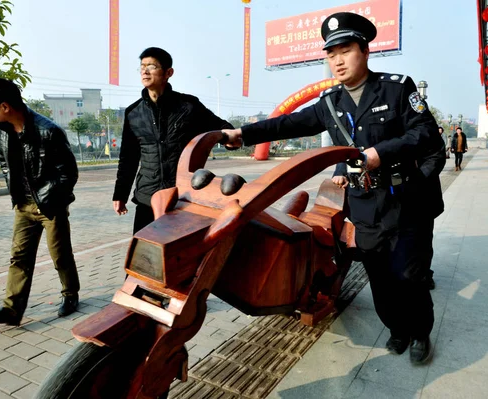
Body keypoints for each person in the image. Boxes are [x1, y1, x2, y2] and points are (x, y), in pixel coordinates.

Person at [223, 12, 444, 364]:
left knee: (408, 274)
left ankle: (419, 332)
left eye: (345, 50)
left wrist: (379, 153)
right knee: (380, 277)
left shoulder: (397, 87)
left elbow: (425, 133)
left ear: (365, 51)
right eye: (331, 54)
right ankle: (397, 329)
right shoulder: (330, 103)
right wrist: (243, 134)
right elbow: (288, 124)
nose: (337, 60)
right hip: (364, 205)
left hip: (405, 202)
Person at [0, 78, 80, 325]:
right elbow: (5, 165)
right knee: (19, 257)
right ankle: (12, 310)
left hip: (50, 205)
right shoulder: (1, 129)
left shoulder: (48, 131)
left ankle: (70, 294)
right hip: (23, 206)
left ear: (4, 106)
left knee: (60, 254)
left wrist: (48, 197)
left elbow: (69, 173)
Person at [113, 47, 234, 233]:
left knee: (181, 254)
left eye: (151, 66)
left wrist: (229, 138)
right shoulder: (133, 113)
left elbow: (221, 127)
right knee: (145, 255)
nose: (145, 71)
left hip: (183, 197)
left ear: (168, 73)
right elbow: (128, 158)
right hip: (148, 198)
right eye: (142, 67)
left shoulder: (188, 106)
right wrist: (120, 194)